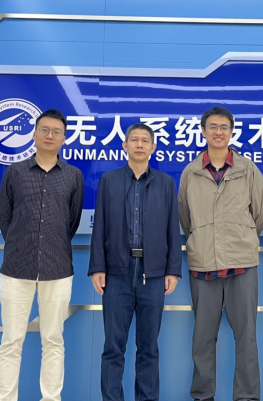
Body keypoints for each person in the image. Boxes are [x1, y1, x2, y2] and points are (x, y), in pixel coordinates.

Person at [178, 106, 263, 401]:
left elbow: (262, 209)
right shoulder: (191, 172)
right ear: (203, 131)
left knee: (246, 337)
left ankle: (247, 397)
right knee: (202, 338)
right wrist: (203, 238)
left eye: (224, 127)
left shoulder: (247, 169)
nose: (218, 132)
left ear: (231, 132)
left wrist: (241, 235)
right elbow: (185, 216)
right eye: (213, 127)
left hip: (241, 264)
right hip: (203, 264)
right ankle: (202, 395)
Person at [89, 123, 182, 401]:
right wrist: (97, 267)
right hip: (117, 273)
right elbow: (100, 226)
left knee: (149, 347)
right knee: (113, 347)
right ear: (125, 145)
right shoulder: (109, 180)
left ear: (153, 147)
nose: (139, 144)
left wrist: (172, 270)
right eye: (134, 140)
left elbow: (172, 228)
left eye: (145, 140)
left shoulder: (165, 182)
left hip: (153, 274)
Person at [0, 109, 84, 401]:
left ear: (64, 138)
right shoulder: (15, 172)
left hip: (57, 269)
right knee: (11, 341)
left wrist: (51, 245)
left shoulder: (73, 176)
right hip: (16, 269)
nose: (50, 136)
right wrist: (22, 245)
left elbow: (71, 222)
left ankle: (51, 398)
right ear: (34, 134)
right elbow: (5, 219)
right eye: (44, 130)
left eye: (57, 132)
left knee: (53, 340)